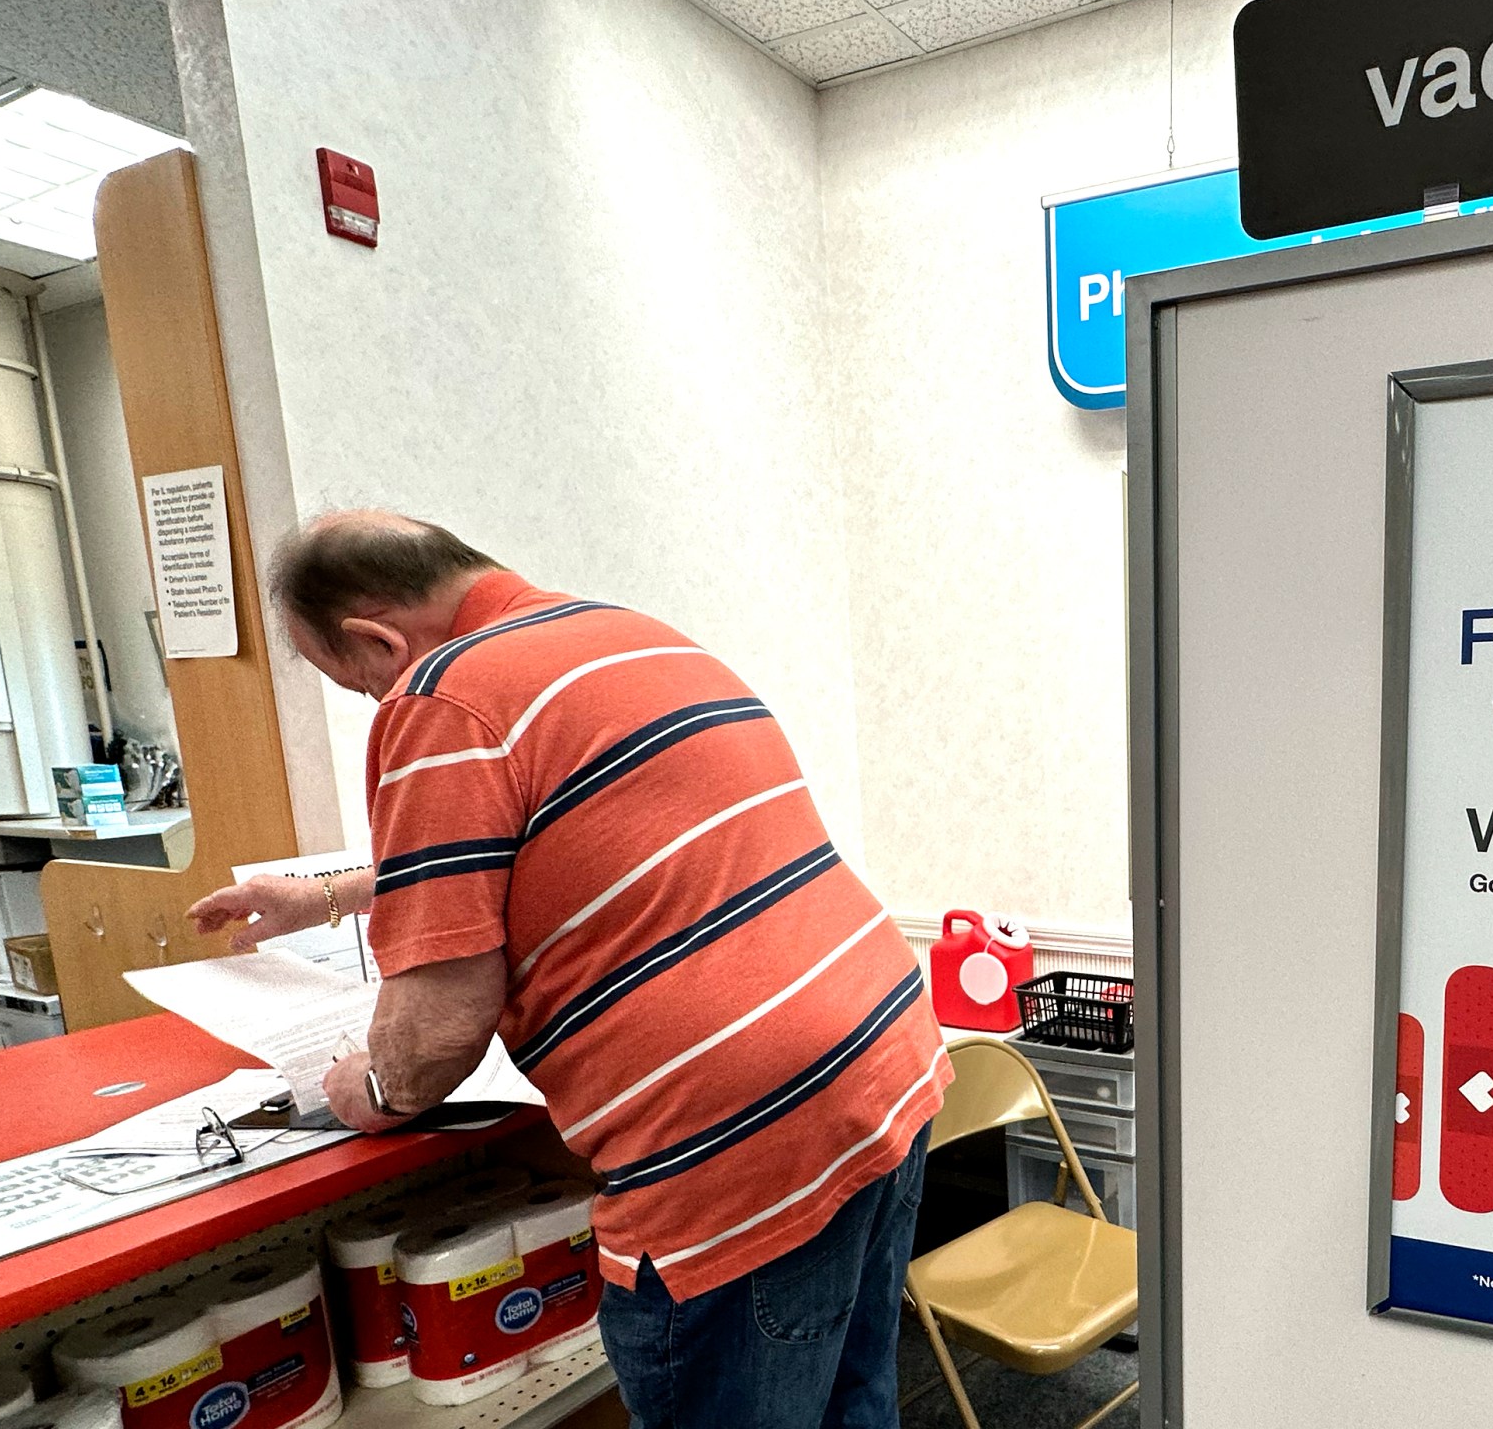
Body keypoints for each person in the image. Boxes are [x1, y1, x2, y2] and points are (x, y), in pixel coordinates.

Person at [189, 511, 949, 1429]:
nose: (377, 703)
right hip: (877, 1065)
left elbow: (439, 1030)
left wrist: (373, 1087)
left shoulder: (442, 698)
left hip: (739, 1139)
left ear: (374, 637)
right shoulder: (625, 636)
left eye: (358, 686)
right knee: (853, 1399)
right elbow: (545, 845)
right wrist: (328, 896)